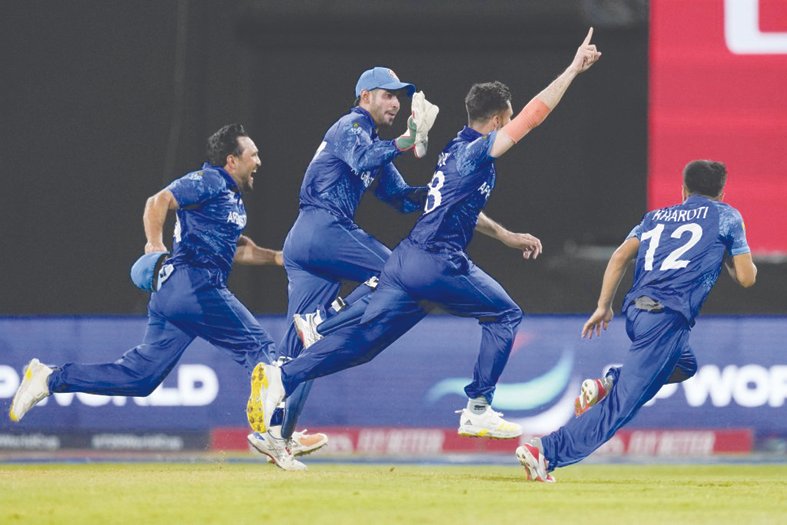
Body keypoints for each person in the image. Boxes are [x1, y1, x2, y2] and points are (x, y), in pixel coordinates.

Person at [246, 29, 602, 446]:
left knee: (363, 345)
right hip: (426, 258)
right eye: (388, 95)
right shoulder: (465, 149)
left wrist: (505, 234)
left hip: (408, 261)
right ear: (498, 120)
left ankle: (283, 377)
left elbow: (418, 200)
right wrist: (572, 70)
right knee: (505, 315)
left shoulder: (452, 149)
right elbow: (534, 116)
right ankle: (478, 407)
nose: (395, 103)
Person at [7, 124, 309, 471]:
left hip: (175, 297)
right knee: (261, 350)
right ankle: (276, 435)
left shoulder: (230, 198)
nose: (259, 160)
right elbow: (158, 201)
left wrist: (277, 258)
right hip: (194, 284)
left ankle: (48, 378)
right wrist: (154, 243)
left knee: (140, 378)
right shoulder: (210, 180)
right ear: (232, 160)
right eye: (253, 154)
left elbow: (238, 249)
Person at [515, 159, 757, 482]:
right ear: (722, 193)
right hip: (667, 319)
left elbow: (619, 257)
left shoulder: (654, 217)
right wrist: (728, 251)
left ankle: (611, 381)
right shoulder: (727, 216)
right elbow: (746, 278)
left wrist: (603, 306)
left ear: (683, 190)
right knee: (621, 405)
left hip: (636, 312)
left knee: (685, 364)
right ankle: (545, 450)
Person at [257, 67, 436, 456]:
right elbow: (363, 156)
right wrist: (406, 140)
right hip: (322, 228)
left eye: (398, 97)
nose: (395, 103)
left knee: (304, 353)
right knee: (400, 274)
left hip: (306, 243)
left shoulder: (374, 145)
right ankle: (327, 319)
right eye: (388, 94)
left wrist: (442, 189)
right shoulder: (351, 125)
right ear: (365, 96)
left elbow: (401, 199)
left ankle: (276, 435)